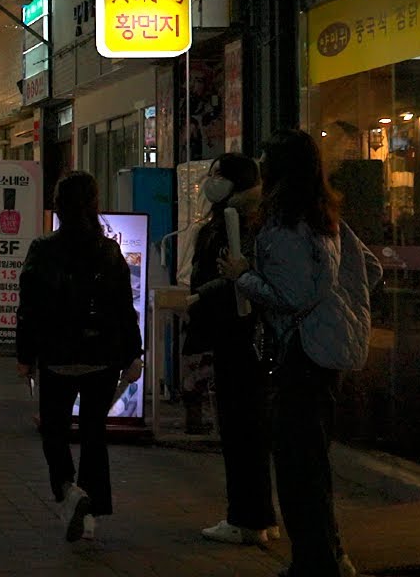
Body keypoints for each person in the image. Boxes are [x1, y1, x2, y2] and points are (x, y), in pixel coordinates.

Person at [219, 130, 381, 577]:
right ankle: (330, 554)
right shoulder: (326, 216)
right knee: (313, 462)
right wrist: (343, 308)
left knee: (296, 467)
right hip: (328, 352)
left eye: (266, 160)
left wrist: (243, 274)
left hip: (303, 354)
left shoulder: (285, 224)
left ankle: (314, 564)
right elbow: (371, 268)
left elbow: (290, 294)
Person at [16, 171, 144, 543]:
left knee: (54, 431)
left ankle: (68, 491)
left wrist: (25, 355)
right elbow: (125, 308)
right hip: (102, 357)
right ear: (93, 205)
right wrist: (133, 354)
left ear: (57, 207)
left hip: (56, 355)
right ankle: (90, 516)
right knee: (93, 434)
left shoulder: (43, 249)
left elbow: (29, 308)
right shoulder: (108, 251)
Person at [187, 153, 279, 545]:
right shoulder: (257, 218)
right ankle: (260, 516)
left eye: (217, 175)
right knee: (252, 430)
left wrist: (196, 300)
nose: (210, 180)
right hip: (251, 337)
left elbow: (230, 279)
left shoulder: (234, 223)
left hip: (236, 337)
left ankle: (245, 518)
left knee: (240, 429)